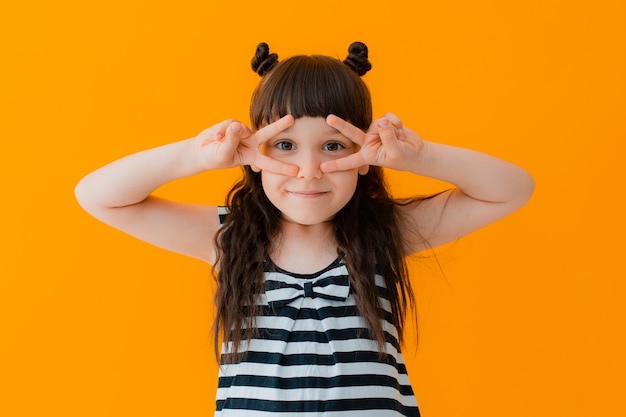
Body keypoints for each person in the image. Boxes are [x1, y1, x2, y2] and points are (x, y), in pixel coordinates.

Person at [75, 41, 534, 416]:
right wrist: (195, 156)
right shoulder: (229, 237)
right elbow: (98, 196)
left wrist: (420, 156)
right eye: (286, 146)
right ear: (253, 151)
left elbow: (512, 188)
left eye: (334, 146)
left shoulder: (385, 232)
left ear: (365, 154)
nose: (309, 170)